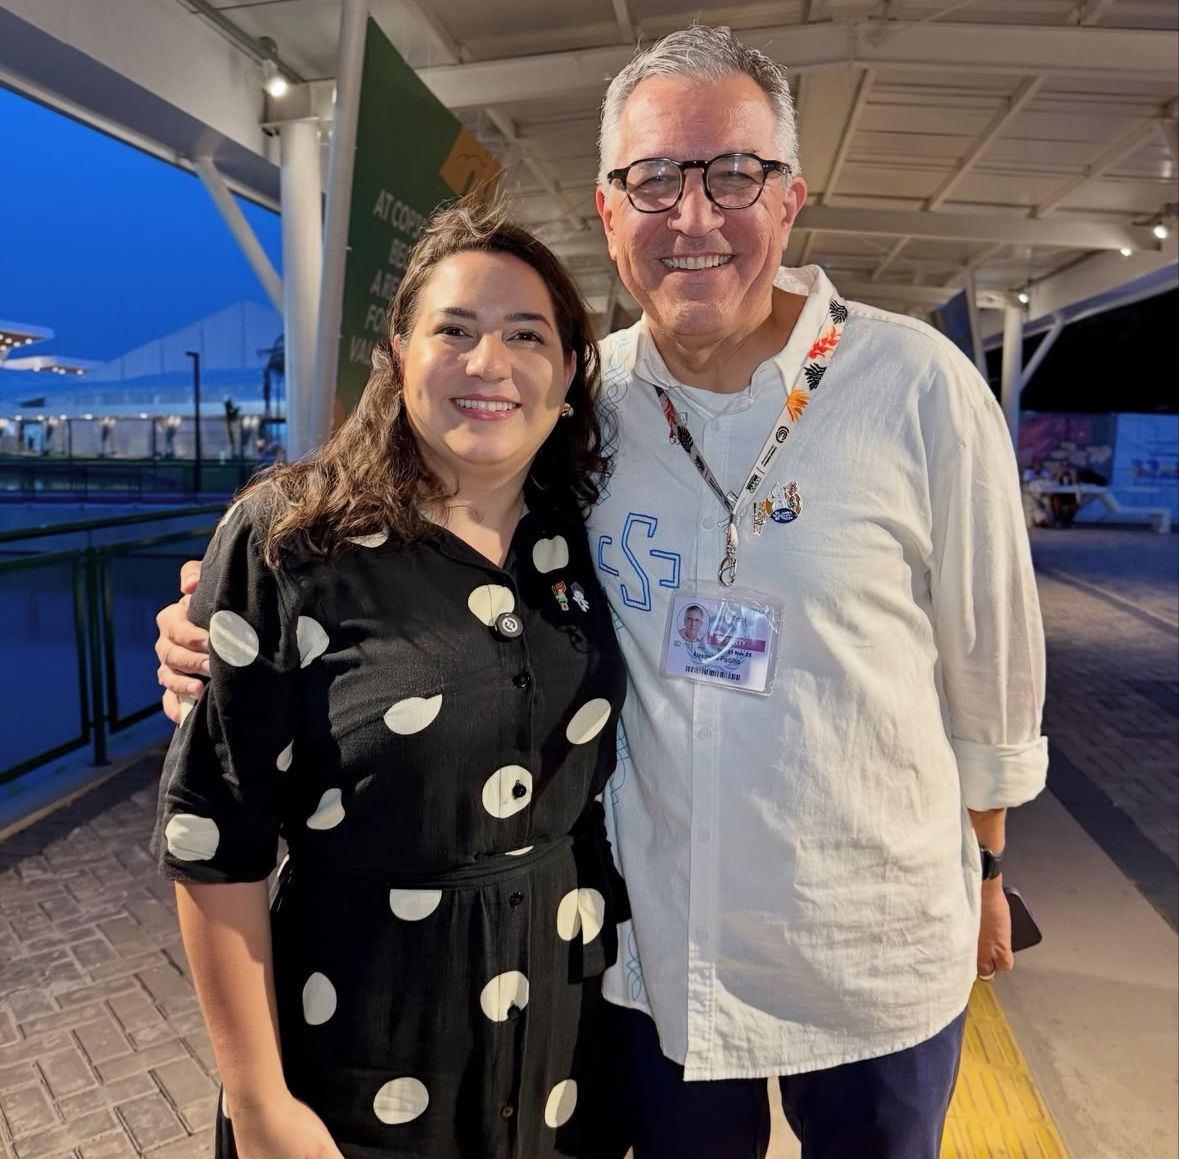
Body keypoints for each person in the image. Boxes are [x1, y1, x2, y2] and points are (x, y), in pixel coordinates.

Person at [155, 26, 1048, 1159]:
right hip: (654, 959)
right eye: (655, 178)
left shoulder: (916, 386)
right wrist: (221, 625)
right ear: (610, 210)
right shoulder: (591, 407)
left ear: (790, 199)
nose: (694, 215)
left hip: (867, 943)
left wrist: (988, 869)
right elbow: (369, 589)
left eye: (733, 173)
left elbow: (995, 669)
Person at [152, 199, 631, 1159]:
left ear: (571, 374)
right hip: (363, 1039)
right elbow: (216, 837)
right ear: (398, 354)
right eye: (453, 330)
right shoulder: (292, 541)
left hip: (565, 1034)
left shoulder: (586, 534)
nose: (488, 364)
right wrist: (258, 1102)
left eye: (525, 336)